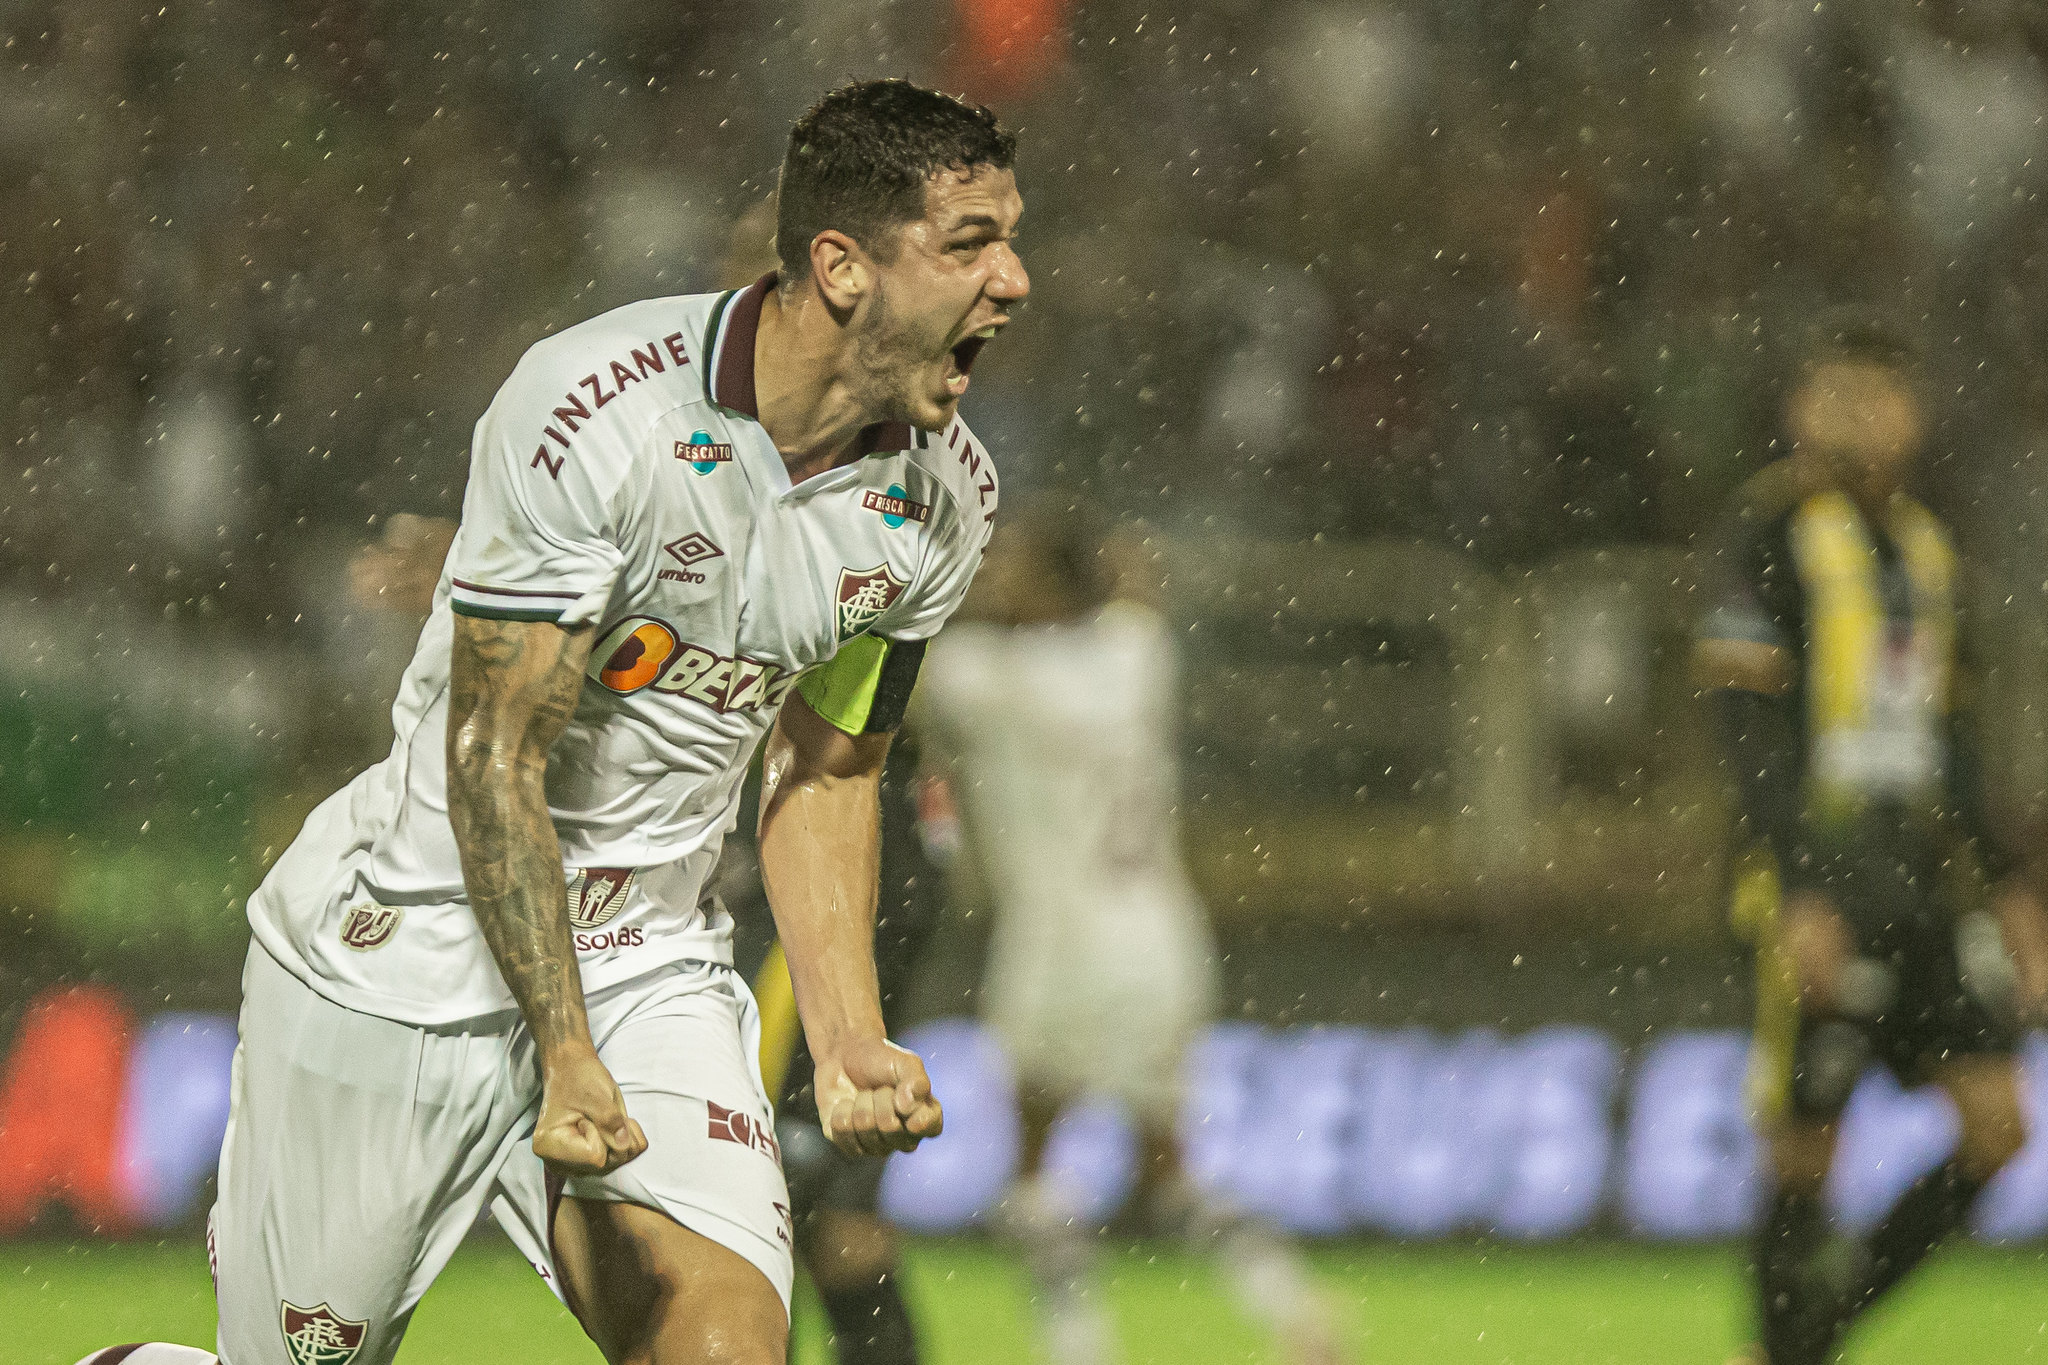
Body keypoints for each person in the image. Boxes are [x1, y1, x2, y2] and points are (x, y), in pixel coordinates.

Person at [81, 77, 1026, 1365]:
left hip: (649, 958)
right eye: (970, 243)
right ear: (841, 266)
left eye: (1008, 240)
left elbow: (827, 767)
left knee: (723, 1347)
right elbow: (494, 755)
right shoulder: (597, 404)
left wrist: (847, 1037)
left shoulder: (946, 495)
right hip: (410, 948)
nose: (1012, 281)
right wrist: (559, 1045)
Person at [912, 505, 1347, 1365]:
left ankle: (1079, 1349)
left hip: (1059, 942)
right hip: (1163, 939)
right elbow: (1137, 576)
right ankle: (1297, 1312)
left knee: (1034, 1172)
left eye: (1014, 565)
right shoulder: (1137, 654)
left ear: (1050, 586)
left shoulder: (986, 675)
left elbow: (906, 658)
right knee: (1170, 1171)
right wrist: (1097, 563)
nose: (994, 576)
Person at [1695, 315, 2048, 1365]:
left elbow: (1950, 740)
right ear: (1798, 409)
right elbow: (1746, 730)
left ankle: (1810, 1340)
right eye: (1836, 394)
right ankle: (1785, 1348)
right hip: (1815, 878)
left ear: (1913, 415)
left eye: (1877, 396)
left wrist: (2008, 885)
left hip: (1919, 881)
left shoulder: (1925, 549)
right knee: (1805, 1146)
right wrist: (1801, 885)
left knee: (1997, 1125)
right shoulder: (1765, 536)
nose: (1857, 417)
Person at [743, 730, 950, 1365]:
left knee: (767, 1212)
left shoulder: (829, 760)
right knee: (827, 1219)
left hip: (812, 962)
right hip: (860, 933)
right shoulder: (888, 763)